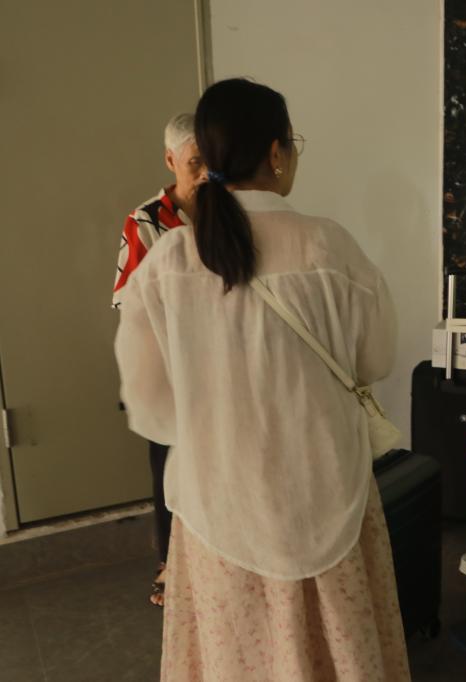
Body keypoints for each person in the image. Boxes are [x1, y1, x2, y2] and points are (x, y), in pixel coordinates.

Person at [114, 78, 409, 681]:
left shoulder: (170, 260)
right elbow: (375, 360)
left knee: (236, 657)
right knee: (339, 652)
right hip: (328, 493)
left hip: (218, 505)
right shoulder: (331, 247)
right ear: (277, 152)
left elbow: (148, 406)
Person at [112, 112, 204, 607]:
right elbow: (129, 302)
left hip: (220, 362)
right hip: (168, 366)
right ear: (170, 160)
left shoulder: (229, 210)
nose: (206, 173)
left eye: (212, 161)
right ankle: (169, 562)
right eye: (194, 163)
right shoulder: (146, 220)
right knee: (167, 462)